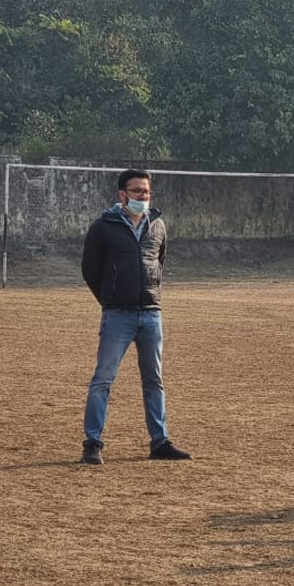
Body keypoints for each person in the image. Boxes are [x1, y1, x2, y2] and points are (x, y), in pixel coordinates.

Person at [78, 168, 191, 464]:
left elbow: (159, 263)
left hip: (151, 315)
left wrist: (149, 297)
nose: (143, 196)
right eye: (137, 191)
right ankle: (93, 443)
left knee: (154, 380)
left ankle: (160, 441)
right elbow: (90, 269)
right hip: (117, 316)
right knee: (103, 379)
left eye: (147, 192)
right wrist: (111, 300)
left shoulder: (158, 226)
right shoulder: (104, 226)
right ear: (122, 194)